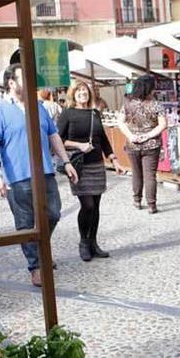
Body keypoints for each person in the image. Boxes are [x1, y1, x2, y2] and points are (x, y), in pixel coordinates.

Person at [0, 64, 78, 287]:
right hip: (18, 176)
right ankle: (36, 266)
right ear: (11, 83)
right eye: (24, 77)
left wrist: (66, 162)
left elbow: (53, 135)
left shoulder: (38, 106)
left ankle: (41, 250)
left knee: (53, 214)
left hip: (45, 171)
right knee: (26, 223)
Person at [58, 80, 128, 261]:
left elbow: (103, 139)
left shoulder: (94, 113)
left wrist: (115, 160)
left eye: (85, 90)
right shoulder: (67, 113)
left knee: (96, 206)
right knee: (87, 205)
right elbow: (58, 140)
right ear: (73, 93)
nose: (83, 93)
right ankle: (83, 242)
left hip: (97, 164)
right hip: (79, 166)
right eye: (79, 90)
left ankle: (93, 243)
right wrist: (79, 145)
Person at [118, 74, 166, 213]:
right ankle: (152, 205)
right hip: (151, 145)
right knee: (150, 175)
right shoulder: (156, 104)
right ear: (150, 88)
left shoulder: (128, 103)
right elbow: (163, 125)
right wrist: (148, 135)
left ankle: (137, 200)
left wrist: (131, 136)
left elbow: (120, 121)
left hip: (132, 144)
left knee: (136, 173)